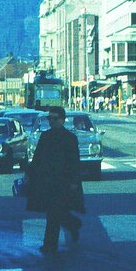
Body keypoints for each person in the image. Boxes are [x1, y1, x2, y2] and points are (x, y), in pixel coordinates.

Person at [25, 106, 84, 254]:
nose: (51, 121)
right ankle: (72, 224)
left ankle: (50, 245)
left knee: (54, 213)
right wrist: (29, 173)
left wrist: (74, 182)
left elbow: (74, 162)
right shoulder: (45, 136)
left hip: (63, 182)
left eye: (55, 118)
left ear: (63, 120)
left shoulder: (70, 138)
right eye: (49, 118)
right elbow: (37, 157)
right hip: (46, 181)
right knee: (54, 212)